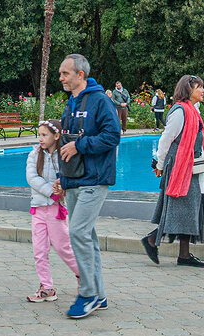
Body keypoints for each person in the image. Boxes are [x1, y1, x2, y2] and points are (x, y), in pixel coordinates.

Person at [53, 54, 120, 319]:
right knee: (88, 237)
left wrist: (80, 145)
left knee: (78, 233)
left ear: (80, 75)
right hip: (76, 181)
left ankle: (88, 293)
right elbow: (67, 145)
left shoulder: (101, 101)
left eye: (65, 73)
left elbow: (112, 136)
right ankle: (100, 294)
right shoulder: (70, 104)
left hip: (95, 180)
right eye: (60, 73)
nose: (61, 78)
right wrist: (63, 178)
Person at [141, 75, 204, 268]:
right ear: (189, 90)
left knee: (188, 207)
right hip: (180, 165)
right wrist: (160, 165)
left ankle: (183, 255)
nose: (203, 91)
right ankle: (152, 240)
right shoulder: (180, 112)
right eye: (200, 87)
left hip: (190, 165)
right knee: (178, 207)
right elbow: (165, 140)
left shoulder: (192, 110)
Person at [25, 120, 78, 303]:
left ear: (56, 136)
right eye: (39, 134)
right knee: (39, 250)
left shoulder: (63, 155)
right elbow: (31, 177)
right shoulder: (34, 154)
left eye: (44, 135)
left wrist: (60, 189)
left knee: (64, 248)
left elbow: (69, 176)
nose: (40, 138)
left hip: (57, 211)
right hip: (38, 208)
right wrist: (51, 191)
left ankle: (83, 277)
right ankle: (46, 288)